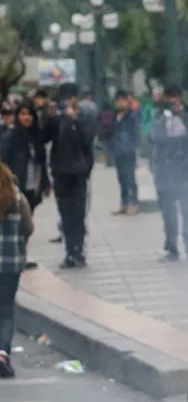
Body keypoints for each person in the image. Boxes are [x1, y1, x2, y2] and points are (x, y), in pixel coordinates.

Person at [148, 86, 188, 262]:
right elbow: (154, 139)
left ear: (180, 98)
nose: (172, 101)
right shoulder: (158, 117)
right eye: (169, 97)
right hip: (165, 172)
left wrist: (181, 119)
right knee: (168, 213)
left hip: (186, 172)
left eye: (175, 97)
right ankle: (171, 248)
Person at [46, 84, 95, 269]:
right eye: (63, 99)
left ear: (75, 98)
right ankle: (69, 252)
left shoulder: (84, 117)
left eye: (69, 98)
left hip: (79, 174)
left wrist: (75, 121)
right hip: (61, 173)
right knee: (65, 214)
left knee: (79, 214)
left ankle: (79, 251)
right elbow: (44, 138)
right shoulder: (56, 119)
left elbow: (88, 143)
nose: (66, 102)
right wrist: (49, 118)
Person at [0, 162, 35, 378]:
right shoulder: (17, 197)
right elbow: (28, 227)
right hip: (11, 262)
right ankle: (3, 352)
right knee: (5, 309)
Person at [2, 104, 46, 218]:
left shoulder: (36, 137)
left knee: (28, 220)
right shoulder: (10, 136)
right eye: (23, 114)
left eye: (30, 114)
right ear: (17, 116)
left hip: (33, 186)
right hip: (15, 187)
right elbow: (3, 162)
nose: (27, 117)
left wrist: (45, 183)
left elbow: (41, 162)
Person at [107, 90, 140, 215]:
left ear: (127, 101)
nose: (120, 103)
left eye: (123, 100)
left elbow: (135, 133)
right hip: (118, 151)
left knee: (130, 177)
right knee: (121, 178)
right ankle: (124, 203)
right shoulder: (114, 115)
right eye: (118, 100)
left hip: (128, 151)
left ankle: (134, 203)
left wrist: (132, 146)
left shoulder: (132, 115)